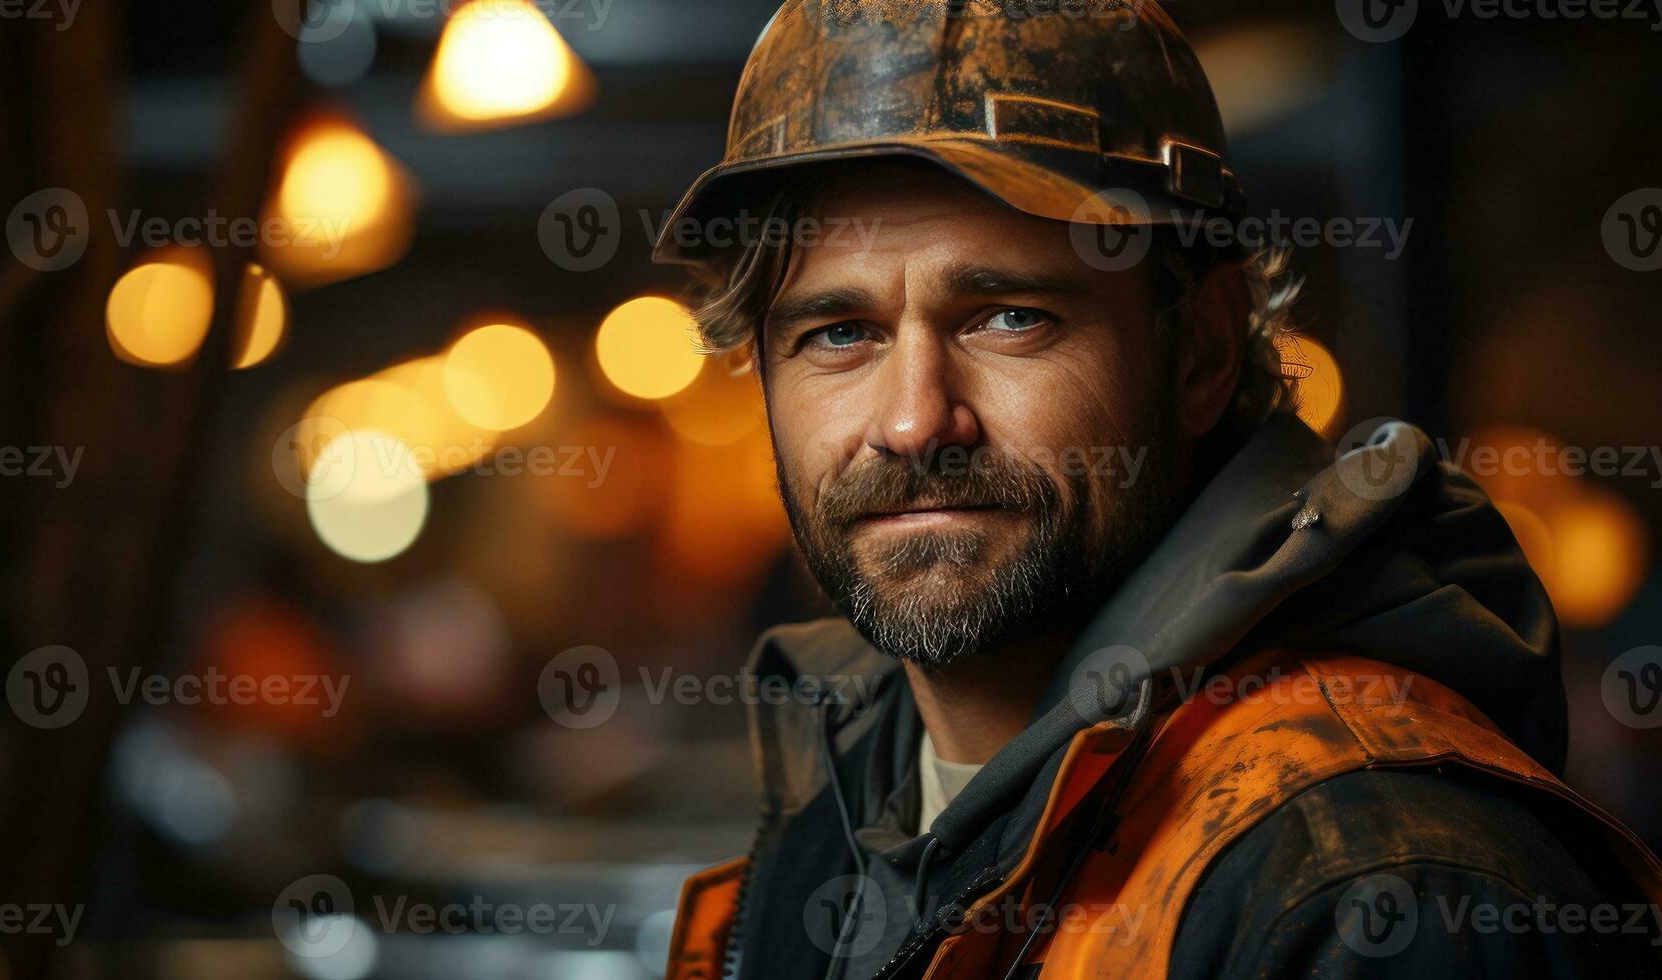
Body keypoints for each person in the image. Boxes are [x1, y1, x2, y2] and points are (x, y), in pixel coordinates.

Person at [651, 2, 1662, 977]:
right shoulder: (849, 788)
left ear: (1203, 350)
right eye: (839, 334)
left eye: (1008, 316)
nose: (915, 420)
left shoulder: (1373, 884)